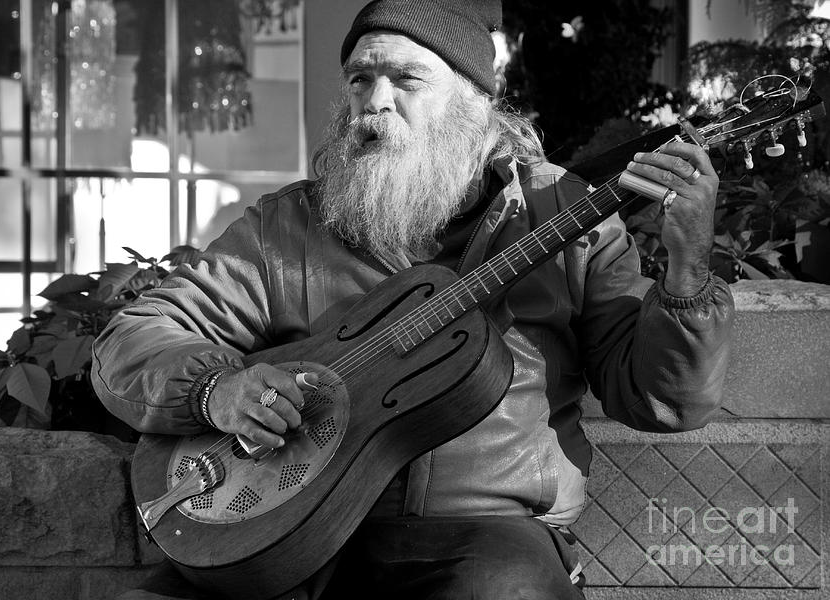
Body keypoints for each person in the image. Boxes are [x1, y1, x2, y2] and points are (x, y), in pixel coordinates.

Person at [91, 1, 734, 598]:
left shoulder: (569, 216)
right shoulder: (285, 227)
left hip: (485, 534)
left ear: (476, 102)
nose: (374, 102)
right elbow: (137, 336)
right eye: (359, 80)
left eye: (406, 79)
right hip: (290, 528)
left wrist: (687, 270)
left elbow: (659, 400)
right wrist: (216, 390)